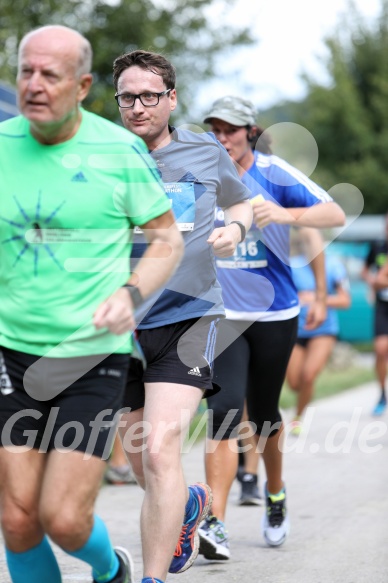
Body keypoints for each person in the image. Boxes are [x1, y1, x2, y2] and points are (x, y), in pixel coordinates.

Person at [0, 25, 184, 583]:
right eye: (25, 71)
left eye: (49, 74)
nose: (34, 84)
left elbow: (167, 240)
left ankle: (110, 569)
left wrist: (130, 294)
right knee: (16, 517)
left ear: (80, 86)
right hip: (10, 353)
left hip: (91, 358)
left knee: (63, 518)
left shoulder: (118, 149)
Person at [111, 52, 253, 583]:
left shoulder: (204, 150)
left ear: (171, 98)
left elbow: (240, 204)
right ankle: (191, 505)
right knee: (142, 462)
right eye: (128, 96)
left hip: (189, 314)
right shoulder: (106, 154)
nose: (139, 106)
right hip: (121, 323)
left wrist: (234, 231)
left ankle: (152, 578)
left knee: (162, 446)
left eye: (151, 95)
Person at [198, 95, 346, 560]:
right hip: (223, 315)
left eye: (232, 130)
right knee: (222, 412)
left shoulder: (275, 173)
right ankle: (215, 522)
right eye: (215, 129)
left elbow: (334, 214)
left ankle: (275, 494)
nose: (223, 138)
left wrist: (285, 214)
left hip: (275, 314)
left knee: (264, 416)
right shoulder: (202, 175)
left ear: (251, 133)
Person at [286, 231, 351, 435]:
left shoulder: (333, 265)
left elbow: (345, 301)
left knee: (308, 375)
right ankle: (301, 399)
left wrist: (317, 298)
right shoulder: (292, 264)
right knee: (294, 383)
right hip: (296, 330)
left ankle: (297, 418)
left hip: (323, 330)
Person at [361, 213, 388, 416]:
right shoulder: (378, 247)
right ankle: (381, 394)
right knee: (380, 350)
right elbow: (366, 272)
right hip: (382, 304)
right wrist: (372, 282)